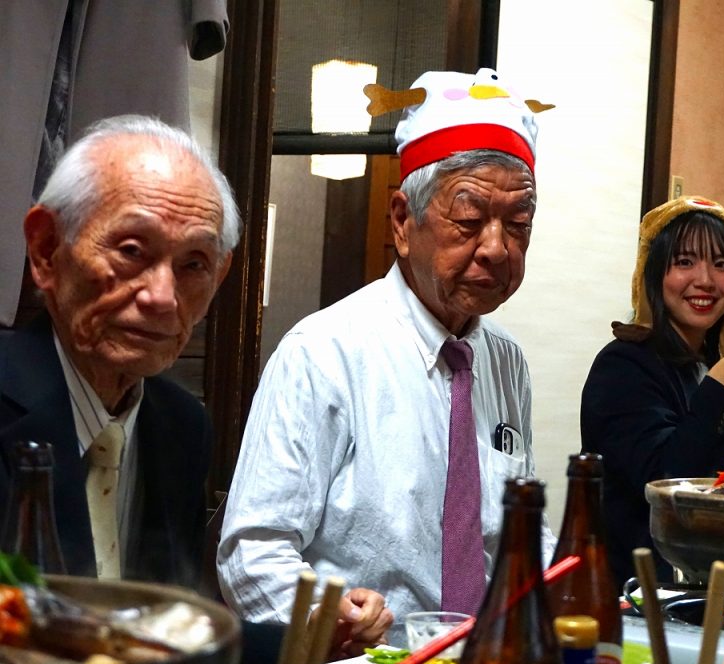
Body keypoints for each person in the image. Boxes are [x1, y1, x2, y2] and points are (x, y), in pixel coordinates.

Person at [0, 115, 389, 664]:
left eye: (193, 265)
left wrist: (315, 636)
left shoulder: (179, 425)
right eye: (132, 250)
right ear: (45, 250)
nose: (163, 296)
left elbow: (163, 637)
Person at [218, 68, 556, 625]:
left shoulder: (504, 360)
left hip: (484, 656)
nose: (497, 248)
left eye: (518, 223)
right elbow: (252, 555)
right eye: (469, 219)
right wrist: (331, 619)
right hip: (367, 659)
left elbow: (514, 532)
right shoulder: (323, 352)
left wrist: (560, 584)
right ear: (403, 221)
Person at [580, 196, 724, 585]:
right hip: (635, 594)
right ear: (654, 273)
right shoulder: (623, 364)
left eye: (722, 264)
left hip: (708, 584)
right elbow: (665, 482)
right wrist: (721, 386)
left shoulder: (704, 362)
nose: (705, 280)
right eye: (685, 262)